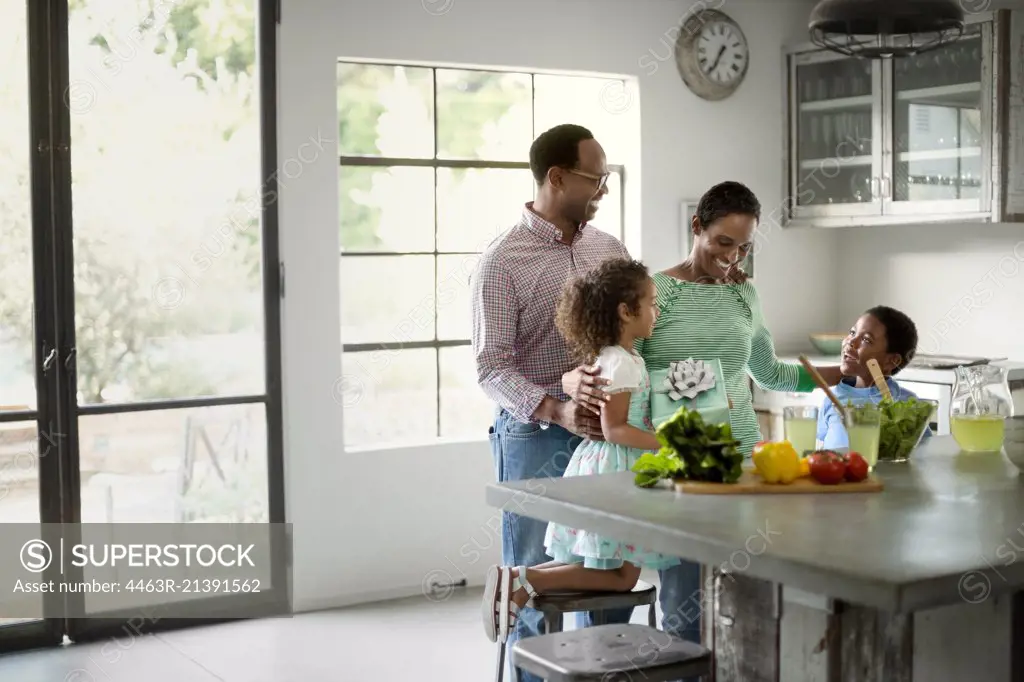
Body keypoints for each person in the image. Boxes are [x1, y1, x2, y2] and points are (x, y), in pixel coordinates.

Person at [562, 180, 843, 669]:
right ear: (697, 228)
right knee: (686, 599)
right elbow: (615, 363)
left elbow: (770, 373)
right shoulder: (657, 294)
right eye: (722, 243)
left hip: (741, 459)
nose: (732, 258)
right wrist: (572, 383)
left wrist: (840, 373)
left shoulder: (744, 296)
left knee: (744, 598)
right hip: (684, 462)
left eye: (743, 247)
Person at [471, 123, 633, 679]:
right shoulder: (501, 261)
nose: (603, 190)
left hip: (608, 438)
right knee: (533, 581)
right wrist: (557, 406)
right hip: (534, 438)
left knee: (602, 568)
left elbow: (630, 333)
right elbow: (492, 366)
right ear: (557, 178)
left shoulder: (609, 250)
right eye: (596, 179)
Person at [481, 258, 681, 642]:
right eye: (652, 303)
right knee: (623, 576)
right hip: (617, 472)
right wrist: (668, 443)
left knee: (592, 562)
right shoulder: (623, 363)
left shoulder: (613, 357)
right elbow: (615, 429)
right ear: (626, 311)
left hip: (600, 465)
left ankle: (518, 579)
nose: (658, 311)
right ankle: (526, 579)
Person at [816, 305, 930, 448]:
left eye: (866, 340)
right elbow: (820, 449)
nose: (851, 342)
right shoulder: (831, 400)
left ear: (891, 361)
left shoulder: (909, 405)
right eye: (852, 332)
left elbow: (925, 453)